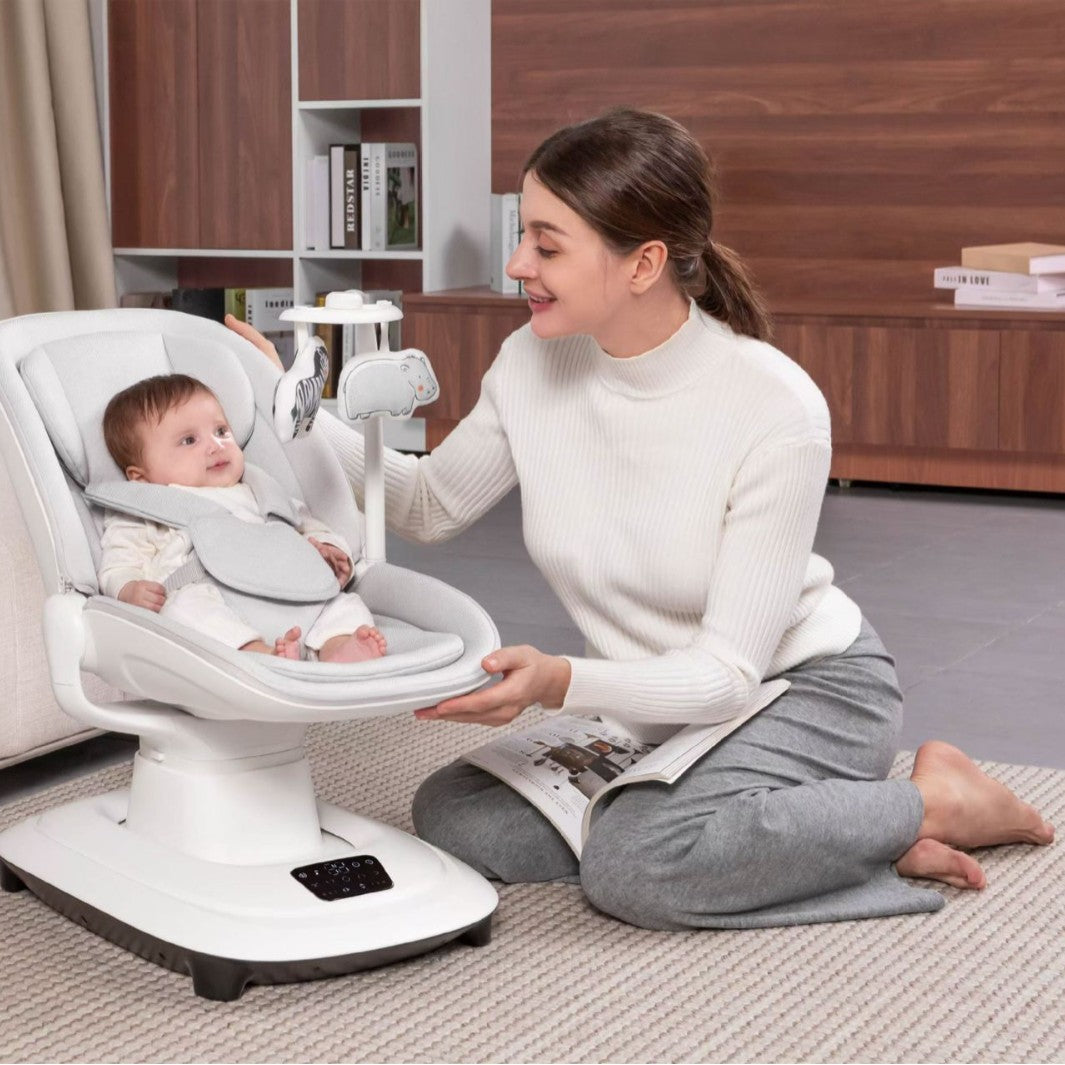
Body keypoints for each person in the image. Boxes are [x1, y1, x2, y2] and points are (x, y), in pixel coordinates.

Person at [228, 108, 1053, 930]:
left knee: (635, 866)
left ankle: (926, 802)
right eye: (523, 235)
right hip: (656, 702)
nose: (517, 264)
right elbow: (432, 505)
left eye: (547, 245)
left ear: (643, 263)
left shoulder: (774, 407)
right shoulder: (533, 358)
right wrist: (287, 413)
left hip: (797, 687)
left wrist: (559, 682)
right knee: (456, 812)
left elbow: (728, 674)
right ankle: (799, 839)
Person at [98, 373, 387, 663]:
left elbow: (304, 524)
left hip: (292, 593)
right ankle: (259, 654)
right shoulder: (145, 509)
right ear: (140, 477)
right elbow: (118, 564)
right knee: (181, 610)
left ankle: (338, 647)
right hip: (212, 596)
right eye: (189, 440)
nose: (215, 445)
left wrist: (327, 549)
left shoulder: (260, 491)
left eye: (221, 431)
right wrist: (128, 590)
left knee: (343, 603)